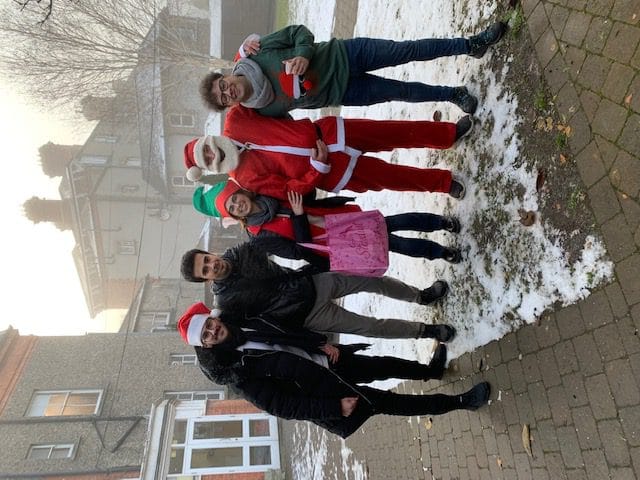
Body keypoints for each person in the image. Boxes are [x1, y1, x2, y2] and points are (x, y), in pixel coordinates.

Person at [177, 303, 492, 439]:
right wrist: (332, 408)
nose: (212, 331)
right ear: (206, 346)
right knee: (393, 402)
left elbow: (289, 333)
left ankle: (431, 372)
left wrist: (320, 344)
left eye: (209, 324)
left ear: (214, 318)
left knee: (384, 364)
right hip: (329, 395)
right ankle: (461, 402)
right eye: (206, 335)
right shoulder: (238, 374)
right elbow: (282, 406)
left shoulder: (246, 322)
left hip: (330, 361)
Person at [198, 23, 507, 117]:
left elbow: (299, 32)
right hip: (345, 92)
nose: (228, 92)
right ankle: (453, 94)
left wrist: (303, 55)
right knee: (400, 92)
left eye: (222, 85)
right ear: (230, 105)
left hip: (347, 54)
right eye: (224, 99)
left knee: (407, 50)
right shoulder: (261, 110)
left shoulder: (258, 51)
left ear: (226, 76)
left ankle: (470, 45)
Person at [180, 240, 455, 341]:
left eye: (207, 259)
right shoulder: (225, 303)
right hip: (307, 316)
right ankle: (426, 332)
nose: (212, 266)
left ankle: (421, 296)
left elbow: (280, 239)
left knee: (371, 281)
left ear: (209, 252)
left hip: (311, 282)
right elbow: (253, 332)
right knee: (370, 326)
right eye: (205, 270)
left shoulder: (240, 251)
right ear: (205, 280)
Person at [183, 105, 468, 201]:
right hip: (331, 173)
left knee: (394, 132)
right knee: (391, 177)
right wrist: (316, 170)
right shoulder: (243, 178)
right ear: (208, 168)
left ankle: (447, 134)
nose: (211, 155)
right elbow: (287, 190)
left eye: (205, 150)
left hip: (330, 133)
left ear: (208, 141)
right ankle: (443, 183)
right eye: (206, 161)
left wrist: (246, 52)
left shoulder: (236, 119)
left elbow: (260, 92)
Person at [200, 179, 463, 263]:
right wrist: (298, 216)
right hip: (333, 243)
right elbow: (297, 252)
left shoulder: (267, 193)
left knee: (390, 223)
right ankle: (440, 252)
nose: (237, 205)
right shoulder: (259, 235)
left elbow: (306, 193)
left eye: (234, 199)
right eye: (232, 208)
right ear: (234, 216)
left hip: (337, 219)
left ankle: (441, 223)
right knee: (392, 244)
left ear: (240, 192)